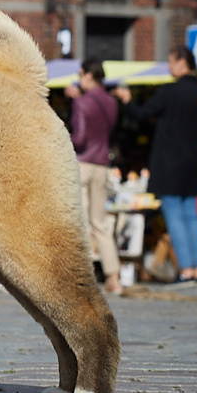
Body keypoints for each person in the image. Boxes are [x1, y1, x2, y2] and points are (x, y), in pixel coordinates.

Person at [116, 46, 197, 286]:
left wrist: (127, 100)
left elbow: (141, 115)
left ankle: (185, 272)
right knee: (191, 216)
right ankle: (196, 270)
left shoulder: (169, 92)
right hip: (192, 164)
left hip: (170, 164)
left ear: (182, 63)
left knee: (174, 217)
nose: (169, 67)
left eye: (171, 62)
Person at [64, 59, 122, 295]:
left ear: (89, 76)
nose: (79, 79)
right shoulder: (111, 102)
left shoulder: (81, 102)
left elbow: (79, 138)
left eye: (80, 75)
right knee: (100, 224)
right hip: (102, 165)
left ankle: (80, 280)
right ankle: (113, 278)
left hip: (83, 164)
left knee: (79, 222)